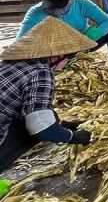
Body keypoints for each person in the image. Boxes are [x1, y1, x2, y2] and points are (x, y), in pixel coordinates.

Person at [0, 17, 94, 171]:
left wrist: (62, 124)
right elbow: (41, 127)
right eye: (68, 58)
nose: (67, 63)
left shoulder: (11, 62)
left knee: (50, 117)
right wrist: (73, 136)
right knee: (40, 127)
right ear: (55, 56)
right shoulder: (40, 73)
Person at [18, 0, 108, 78]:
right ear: (45, 0)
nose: (58, 9)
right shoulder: (35, 12)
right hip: (57, 51)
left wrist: (89, 37)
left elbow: (107, 22)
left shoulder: (81, 3)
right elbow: (20, 42)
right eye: (54, 5)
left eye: (62, 4)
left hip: (85, 44)